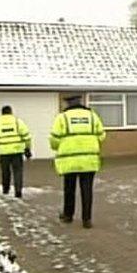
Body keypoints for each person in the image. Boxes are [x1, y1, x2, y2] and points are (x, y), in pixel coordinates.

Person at [49, 95, 105, 228]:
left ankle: (68, 216)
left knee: (69, 189)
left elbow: (54, 138)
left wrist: (58, 147)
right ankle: (87, 219)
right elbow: (101, 135)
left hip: (69, 160)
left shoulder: (62, 118)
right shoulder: (92, 116)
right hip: (89, 159)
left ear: (68, 104)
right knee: (87, 190)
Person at [0, 105, 32, 198]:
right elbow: (27, 136)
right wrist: (27, 148)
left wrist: (1, 145)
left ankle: (6, 190)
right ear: (11, 112)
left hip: (3, 153)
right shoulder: (17, 121)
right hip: (17, 151)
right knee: (18, 171)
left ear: (2, 113)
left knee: (5, 171)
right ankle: (18, 191)